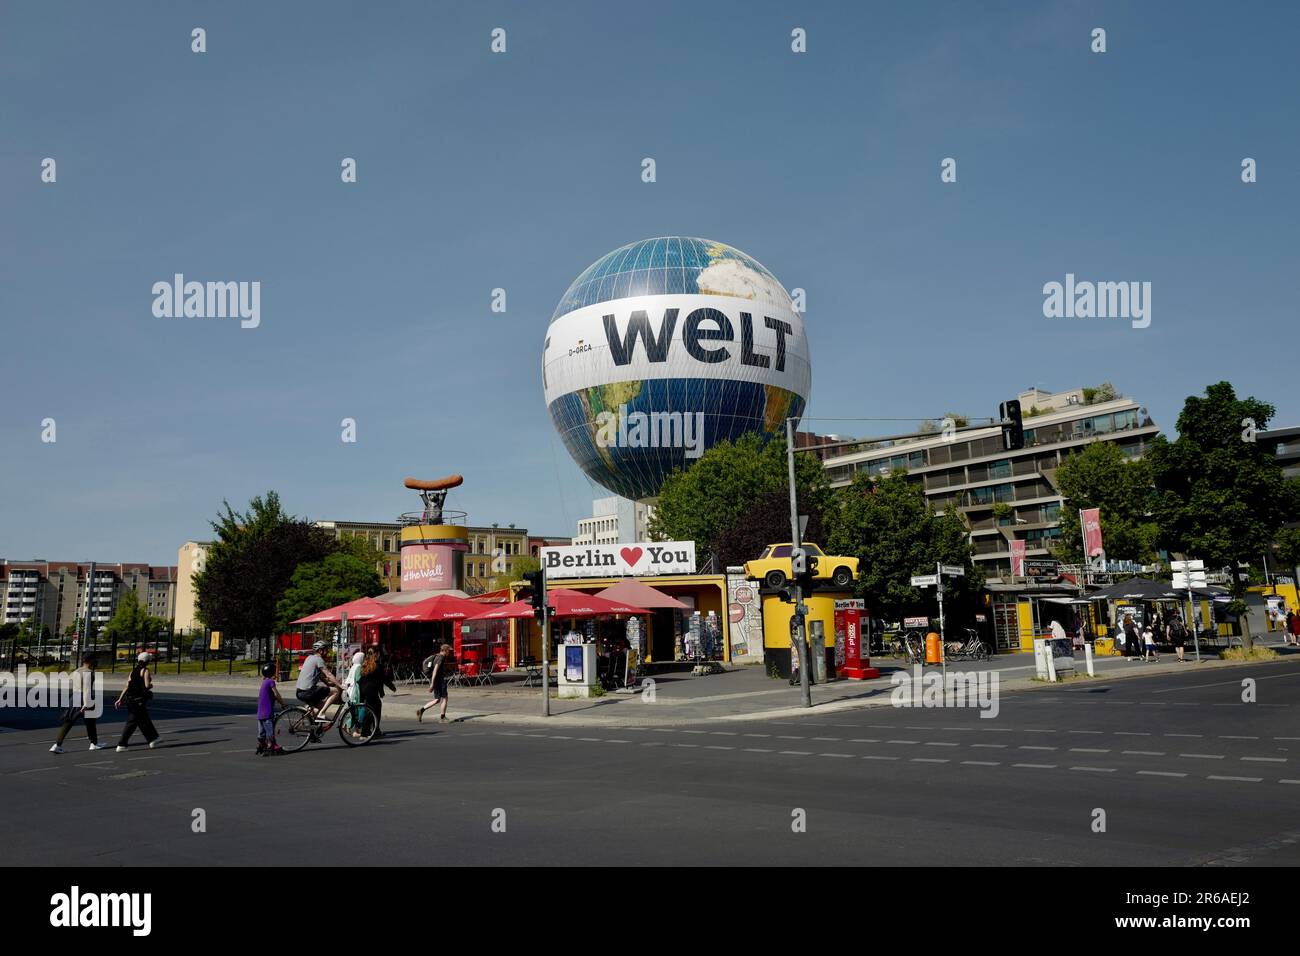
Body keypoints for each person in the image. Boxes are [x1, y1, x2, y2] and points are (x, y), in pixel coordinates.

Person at [50, 654, 108, 753]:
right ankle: (93, 744)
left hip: (75, 696)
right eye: (95, 660)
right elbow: (87, 689)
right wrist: (86, 703)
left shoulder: (77, 671)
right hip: (85, 697)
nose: (96, 662)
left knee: (71, 720)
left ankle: (57, 745)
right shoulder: (89, 673)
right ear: (90, 661)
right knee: (90, 722)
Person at [115, 652, 161, 751]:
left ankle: (153, 739)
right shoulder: (145, 671)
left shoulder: (132, 671)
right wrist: (151, 685)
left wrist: (120, 699)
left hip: (130, 700)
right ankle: (122, 744)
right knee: (133, 722)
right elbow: (147, 685)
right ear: (147, 661)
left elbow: (127, 686)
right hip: (138, 700)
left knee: (143, 719)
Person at [295, 640, 344, 722]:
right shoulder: (319, 659)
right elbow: (328, 674)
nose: (327, 651)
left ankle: (313, 729)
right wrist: (340, 686)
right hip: (308, 691)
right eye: (326, 649)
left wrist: (328, 683)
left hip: (299, 692)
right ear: (320, 650)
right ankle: (321, 714)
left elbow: (319, 675)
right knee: (335, 691)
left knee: (321, 706)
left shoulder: (309, 658)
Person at [358, 645, 397, 738]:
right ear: (376, 654)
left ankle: (370, 730)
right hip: (371, 691)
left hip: (363, 690)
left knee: (370, 710)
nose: (379, 655)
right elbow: (383, 679)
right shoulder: (377, 666)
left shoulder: (365, 665)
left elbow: (361, 679)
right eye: (378, 653)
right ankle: (371, 731)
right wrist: (392, 687)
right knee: (375, 710)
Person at [416, 643, 454, 723]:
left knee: (437, 699)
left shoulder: (437, 656)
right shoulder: (441, 658)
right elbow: (435, 671)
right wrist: (432, 684)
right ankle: (442, 717)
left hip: (437, 680)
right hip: (439, 680)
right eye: (448, 651)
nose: (449, 652)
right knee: (445, 698)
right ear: (445, 650)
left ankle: (421, 710)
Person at [256, 662, 285, 756]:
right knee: (269, 730)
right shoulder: (271, 682)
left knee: (261, 732)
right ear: (273, 672)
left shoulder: (264, 682)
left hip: (260, 713)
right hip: (267, 712)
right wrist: (282, 703)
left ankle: (261, 744)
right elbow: (276, 694)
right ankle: (271, 746)